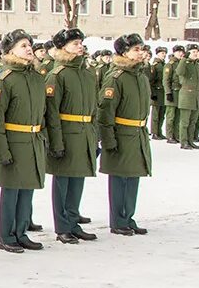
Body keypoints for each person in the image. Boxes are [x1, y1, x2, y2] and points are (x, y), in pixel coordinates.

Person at [0, 30, 47, 253]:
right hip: (13, 141)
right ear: (10, 51)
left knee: (27, 190)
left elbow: (44, 113)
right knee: (11, 191)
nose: (29, 48)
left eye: (29, 44)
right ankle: (7, 236)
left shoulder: (36, 78)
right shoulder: (4, 80)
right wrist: (2, 151)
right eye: (23, 45)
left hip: (32, 140)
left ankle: (21, 232)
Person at [43, 28, 98, 243]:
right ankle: (62, 226)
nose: (80, 46)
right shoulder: (57, 75)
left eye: (80, 43)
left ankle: (73, 222)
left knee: (78, 180)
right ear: (62, 47)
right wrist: (55, 141)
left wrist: (94, 136)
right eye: (75, 44)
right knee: (63, 182)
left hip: (84, 133)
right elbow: (51, 113)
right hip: (66, 133)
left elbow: (93, 108)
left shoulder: (86, 73)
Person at [98, 33, 152, 236]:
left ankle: (128, 216)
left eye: (141, 49)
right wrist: (109, 139)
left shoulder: (140, 77)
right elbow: (106, 111)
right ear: (124, 53)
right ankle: (118, 220)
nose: (141, 53)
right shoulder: (116, 78)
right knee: (120, 179)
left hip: (137, 133)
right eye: (136, 49)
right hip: (121, 134)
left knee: (133, 178)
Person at [174, 44, 199, 149]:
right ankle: (184, 142)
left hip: (196, 96)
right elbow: (179, 72)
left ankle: (190, 140)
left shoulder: (198, 65)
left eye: (197, 52)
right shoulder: (185, 64)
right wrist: (184, 59)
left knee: (193, 121)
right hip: (186, 95)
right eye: (193, 52)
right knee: (185, 121)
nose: (196, 54)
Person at [161, 44, 184, 144]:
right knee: (171, 116)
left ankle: (176, 135)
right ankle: (170, 135)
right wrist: (168, 92)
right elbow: (166, 80)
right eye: (178, 52)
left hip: (180, 92)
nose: (180, 54)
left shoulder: (182, 63)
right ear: (174, 52)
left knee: (178, 116)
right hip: (172, 92)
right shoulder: (170, 64)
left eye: (182, 52)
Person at [149, 47, 168, 140]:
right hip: (156, 91)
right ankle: (154, 132)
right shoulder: (155, 65)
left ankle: (159, 131)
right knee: (156, 114)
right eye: (161, 53)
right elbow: (151, 80)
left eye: (164, 53)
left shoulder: (164, 64)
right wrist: (152, 93)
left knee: (162, 113)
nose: (163, 55)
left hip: (163, 92)